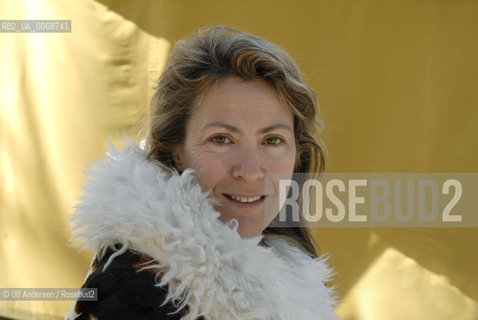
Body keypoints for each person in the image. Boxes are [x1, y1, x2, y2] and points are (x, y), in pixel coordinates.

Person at [66, 26, 337, 320]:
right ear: (176, 152)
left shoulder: (296, 284)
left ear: (298, 155)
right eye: (221, 139)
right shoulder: (136, 285)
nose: (249, 171)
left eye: (272, 140)